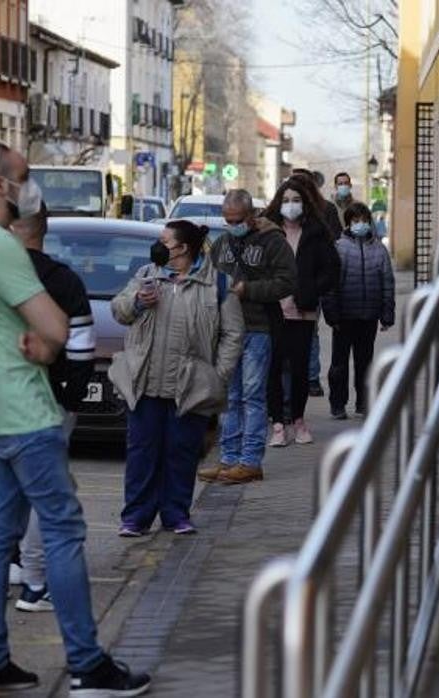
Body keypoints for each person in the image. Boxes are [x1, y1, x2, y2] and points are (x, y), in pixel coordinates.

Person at [0, 140, 148, 695]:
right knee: (63, 532)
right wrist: (46, 342)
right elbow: (59, 327)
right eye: (25, 176)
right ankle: (88, 665)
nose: (32, 186)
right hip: (24, 412)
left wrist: (40, 345)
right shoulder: (0, 246)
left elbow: (19, 330)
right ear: (0, 186)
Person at [110, 220, 244, 535]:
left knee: (181, 452)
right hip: (145, 382)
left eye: (165, 241)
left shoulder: (217, 284)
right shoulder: (147, 274)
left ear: (183, 248)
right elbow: (119, 310)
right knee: (142, 453)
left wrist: (217, 376)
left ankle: (176, 514)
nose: (158, 246)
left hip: (191, 386)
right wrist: (138, 302)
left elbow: (233, 335)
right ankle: (136, 517)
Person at [199, 189, 295, 485]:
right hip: (228, 330)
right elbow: (208, 276)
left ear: (252, 215)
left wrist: (248, 290)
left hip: (258, 327)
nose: (232, 225)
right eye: (227, 220)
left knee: (252, 396)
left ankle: (250, 461)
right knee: (230, 396)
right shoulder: (223, 243)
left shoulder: (273, 241)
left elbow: (287, 282)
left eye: (237, 220)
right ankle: (229, 459)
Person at [263, 176, 340, 447]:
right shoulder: (267, 231)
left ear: (305, 203)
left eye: (296, 200)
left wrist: (310, 289)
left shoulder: (316, 233)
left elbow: (331, 271)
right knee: (272, 369)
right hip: (272, 313)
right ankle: (277, 424)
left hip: (303, 313)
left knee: (299, 371)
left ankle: (298, 420)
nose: (291, 205)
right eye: (286, 200)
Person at [324, 202, 395, 420]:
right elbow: (331, 285)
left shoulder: (379, 249)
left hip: (369, 316)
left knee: (365, 362)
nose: (360, 225)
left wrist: (387, 314)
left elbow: (387, 283)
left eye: (364, 220)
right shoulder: (339, 248)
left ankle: (363, 403)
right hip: (344, 316)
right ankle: (337, 404)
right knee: (339, 364)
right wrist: (332, 315)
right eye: (356, 221)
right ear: (348, 223)